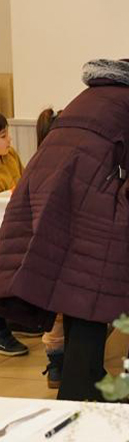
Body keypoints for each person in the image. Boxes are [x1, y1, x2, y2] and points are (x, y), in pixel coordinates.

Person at [0, 57, 129, 401]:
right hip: (85, 189)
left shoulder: (107, 89)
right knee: (91, 289)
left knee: (76, 290)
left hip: (50, 179)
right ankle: (75, 398)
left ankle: (91, 380)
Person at [35, 107, 65, 388]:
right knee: (61, 313)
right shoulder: (60, 168)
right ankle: (59, 363)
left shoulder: (37, 165)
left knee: (54, 314)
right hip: (58, 251)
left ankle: (55, 362)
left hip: (44, 254)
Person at [0, 113, 28, 358]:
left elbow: (23, 181)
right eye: (2, 136)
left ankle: (16, 317)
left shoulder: (11, 156)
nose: (9, 140)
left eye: (7, 133)